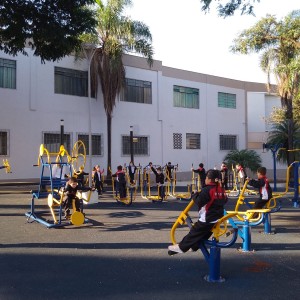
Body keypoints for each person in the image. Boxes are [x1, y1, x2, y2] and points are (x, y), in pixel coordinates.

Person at [168, 169, 228, 254]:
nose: (205, 179)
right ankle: (194, 246)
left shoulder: (207, 190)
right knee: (205, 234)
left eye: (206, 178)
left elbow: (199, 201)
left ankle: (181, 247)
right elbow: (225, 200)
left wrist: (194, 194)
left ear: (209, 179)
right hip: (217, 217)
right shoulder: (221, 189)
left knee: (194, 232)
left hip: (207, 217)